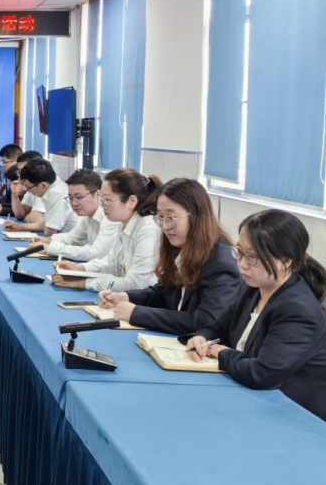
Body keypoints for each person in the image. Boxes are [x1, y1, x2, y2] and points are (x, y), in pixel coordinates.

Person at [186, 210, 326, 422]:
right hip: (251, 401)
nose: (242, 264)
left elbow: (263, 374)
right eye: (239, 252)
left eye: (251, 257)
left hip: (292, 418)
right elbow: (217, 327)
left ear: (285, 261)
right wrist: (202, 337)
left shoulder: (297, 310)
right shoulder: (252, 289)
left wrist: (222, 352)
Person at [97, 179, 241, 333]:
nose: (165, 226)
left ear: (196, 215)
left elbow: (205, 321)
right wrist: (125, 297)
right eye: (160, 217)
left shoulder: (221, 262)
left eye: (171, 218)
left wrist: (137, 313)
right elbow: (164, 293)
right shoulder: (179, 245)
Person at [52, 168, 162, 292]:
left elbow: (135, 284)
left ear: (131, 201)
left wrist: (82, 283)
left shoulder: (148, 228)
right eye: (102, 199)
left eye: (108, 200)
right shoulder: (123, 222)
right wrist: (80, 268)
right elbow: (112, 263)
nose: (102, 205)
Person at [31, 168, 120, 262]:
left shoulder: (110, 217)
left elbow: (95, 253)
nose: (74, 203)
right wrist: (48, 240)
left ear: (98, 195)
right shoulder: (88, 216)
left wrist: (50, 248)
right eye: (70, 198)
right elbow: (72, 238)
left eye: (79, 197)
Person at [2, 158, 77, 236]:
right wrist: (19, 227)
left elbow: (49, 234)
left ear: (43, 185)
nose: (28, 191)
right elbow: (45, 224)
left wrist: (26, 218)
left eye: (28, 188)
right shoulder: (50, 189)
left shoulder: (55, 194)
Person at [8, 150, 45, 226]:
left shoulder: (44, 183)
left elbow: (36, 219)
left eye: (24, 171)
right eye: (20, 171)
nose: (21, 176)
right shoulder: (31, 183)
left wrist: (26, 216)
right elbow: (20, 215)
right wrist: (14, 195)